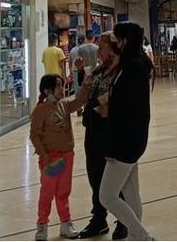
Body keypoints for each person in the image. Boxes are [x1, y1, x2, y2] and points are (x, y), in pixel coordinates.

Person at [99, 22, 154, 241]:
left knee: (107, 196)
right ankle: (135, 235)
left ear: (125, 40)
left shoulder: (133, 67)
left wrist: (112, 145)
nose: (113, 41)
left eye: (116, 37)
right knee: (131, 192)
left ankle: (141, 234)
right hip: (132, 138)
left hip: (126, 140)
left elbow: (129, 110)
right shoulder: (132, 64)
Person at [30, 73, 92, 241]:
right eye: (58, 85)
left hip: (67, 155)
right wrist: (43, 154)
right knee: (48, 192)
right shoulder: (40, 110)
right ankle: (42, 224)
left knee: (64, 191)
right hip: (52, 158)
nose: (62, 88)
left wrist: (85, 86)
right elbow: (34, 135)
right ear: (47, 90)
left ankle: (66, 222)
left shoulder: (64, 105)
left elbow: (80, 101)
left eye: (62, 85)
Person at [78, 33, 127, 241]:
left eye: (102, 48)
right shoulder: (99, 70)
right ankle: (99, 218)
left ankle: (124, 219)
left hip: (109, 130)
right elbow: (88, 93)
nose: (99, 52)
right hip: (93, 130)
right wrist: (82, 76)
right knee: (95, 175)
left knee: (114, 179)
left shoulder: (121, 72)